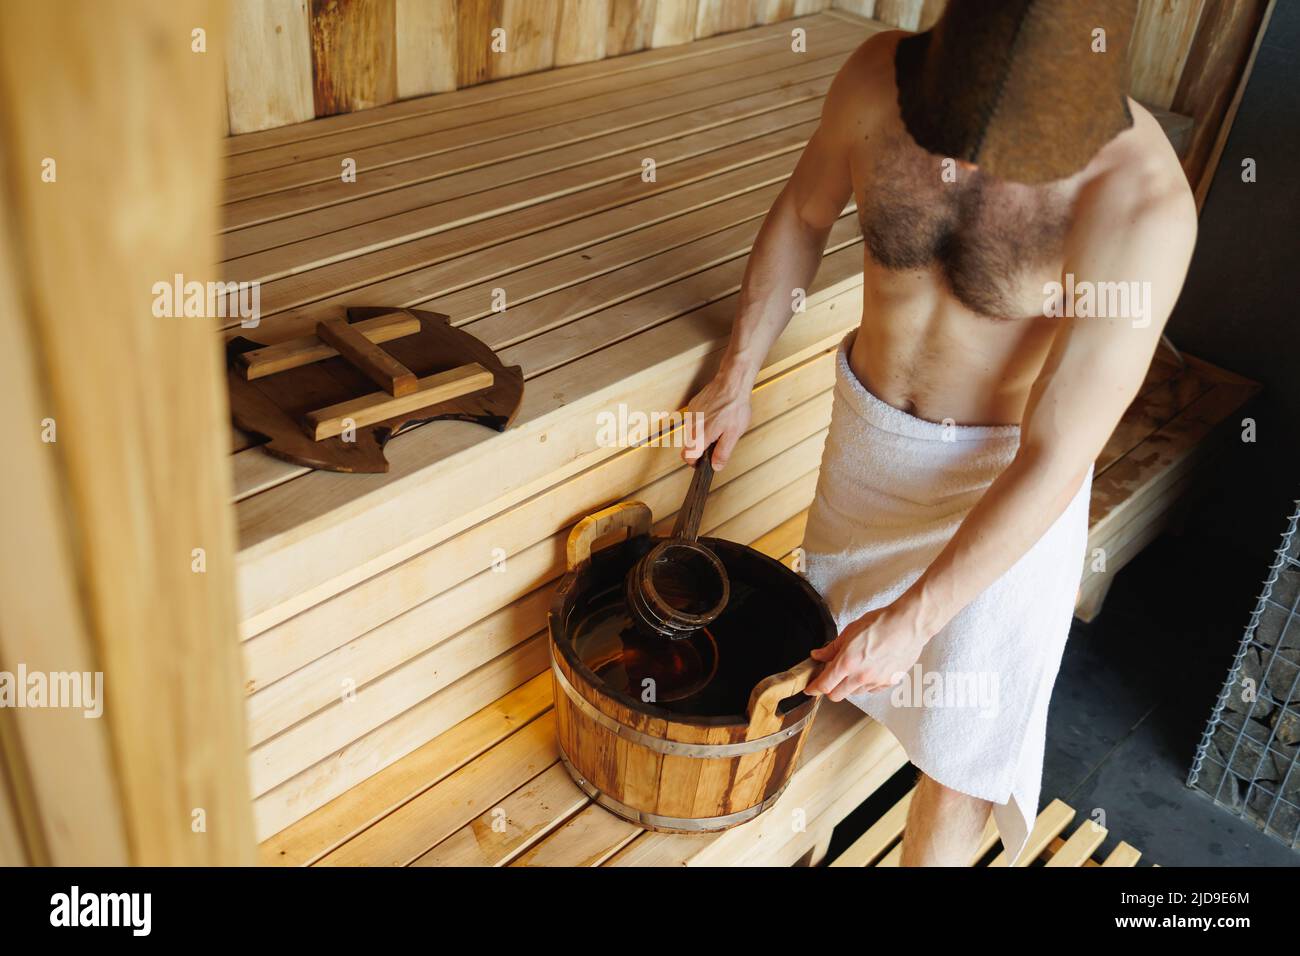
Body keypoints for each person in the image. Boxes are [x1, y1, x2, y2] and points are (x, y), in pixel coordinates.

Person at [681, 0, 1197, 865]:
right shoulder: (876, 80)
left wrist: (916, 618)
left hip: (1002, 493)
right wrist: (736, 376)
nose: (960, 161)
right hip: (867, 452)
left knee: (957, 764)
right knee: (810, 682)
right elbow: (805, 217)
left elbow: (1058, 454)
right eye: (949, 129)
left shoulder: (1142, 205)